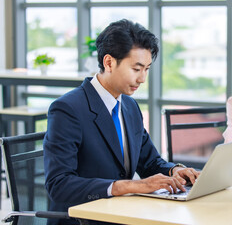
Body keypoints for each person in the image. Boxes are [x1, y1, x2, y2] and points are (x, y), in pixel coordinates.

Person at [44, 19, 199, 225]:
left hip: (122, 214)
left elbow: (150, 162)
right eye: (136, 69)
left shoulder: (129, 106)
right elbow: (59, 185)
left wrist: (175, 170)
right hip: (85, 219)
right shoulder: (68, 109)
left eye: (147, 69)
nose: (142, 78)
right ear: (108, 62)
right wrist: (128, 186)